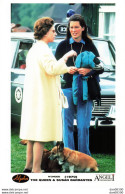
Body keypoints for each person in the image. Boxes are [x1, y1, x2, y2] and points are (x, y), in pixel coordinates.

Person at [20, 17, 77, 173]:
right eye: (52, 31)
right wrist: (66, 57)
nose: (54, 33)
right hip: (42, 98)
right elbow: (51, 69)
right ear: (45, 32)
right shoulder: (43, 49)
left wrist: (66, 69)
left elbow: (48, 69)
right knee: (40, 134)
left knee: (33, 134)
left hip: (35, 97)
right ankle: (36, 170)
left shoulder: (35, 49)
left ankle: (29, 166)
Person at [55, 14, 104, 156]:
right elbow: (55, 68)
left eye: (76, 27)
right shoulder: (62, 45)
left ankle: (84, 157)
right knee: (67, 125)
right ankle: (69, 157)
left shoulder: (90, 45)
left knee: (83, 126)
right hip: (67, 89)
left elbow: (100, 67)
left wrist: (89, 71)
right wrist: (66, 69)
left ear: (83, 28)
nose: (73, 30)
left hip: (86, 89)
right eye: (71, 27)